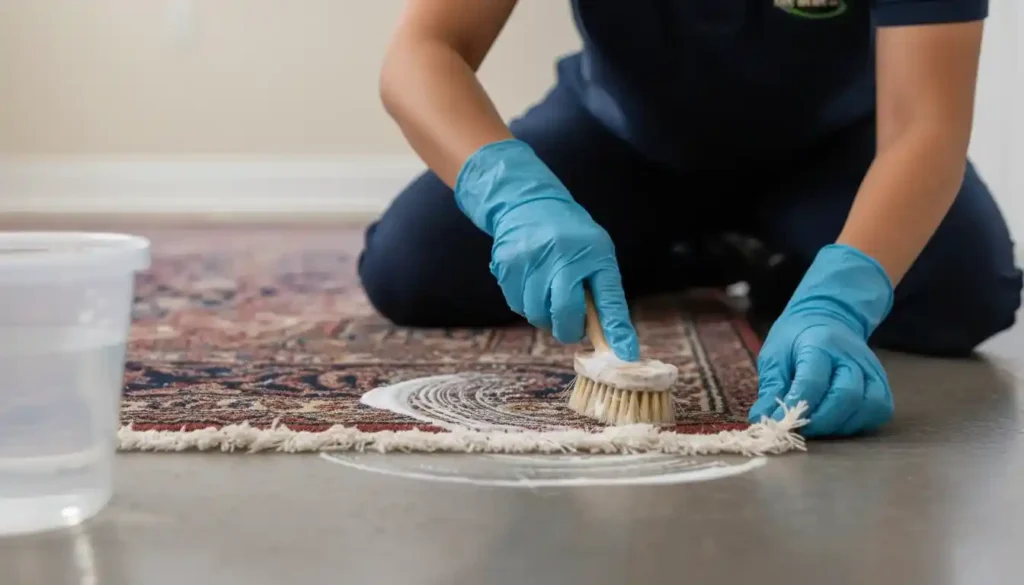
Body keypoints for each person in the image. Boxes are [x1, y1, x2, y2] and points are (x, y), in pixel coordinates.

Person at [358, 0, 1023, 437]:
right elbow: (425, 49)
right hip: (622, 138)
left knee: (962, 293)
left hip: (832, 152)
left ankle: (779, 266)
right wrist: (517, 197)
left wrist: (843, 298)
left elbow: (925, 125)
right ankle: (704, 255)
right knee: (415, 267)